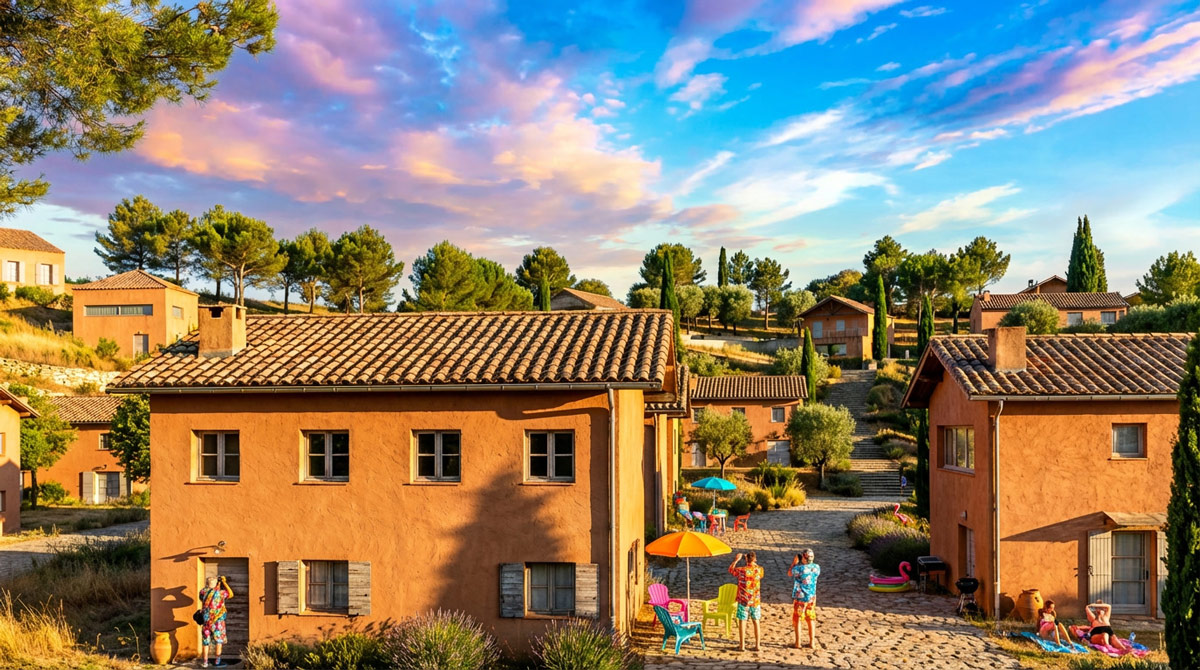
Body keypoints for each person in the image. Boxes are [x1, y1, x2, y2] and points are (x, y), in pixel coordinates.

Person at [728, 551, 763, 652]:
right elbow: (760, 574)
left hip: (743, 599)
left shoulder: (741, 570)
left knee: (742, 621)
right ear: (755, 559)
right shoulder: (759, 570)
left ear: (746, 559)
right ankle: (757, 645)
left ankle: (742, 645)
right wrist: (753, 562)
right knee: (756, 621)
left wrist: (736, 560)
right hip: (755, 600)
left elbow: (731, 570)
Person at [199, 574, 234, 667]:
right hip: (218, 622)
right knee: (219, 641)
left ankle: (205, 662)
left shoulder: (203, 592)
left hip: (206, 622)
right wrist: (224, 582)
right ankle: (217, 661)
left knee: (206, 642)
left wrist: (216, 585)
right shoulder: (220, 593)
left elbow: (203, 597)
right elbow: (231, 594)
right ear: (216, 583)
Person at [788, 548, 821, 649]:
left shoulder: (799, 569)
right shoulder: (816, 567)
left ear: (803, 557)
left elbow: (789, 573)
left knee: (798, 618)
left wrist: (794, 562)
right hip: (811, 597)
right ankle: (812, 642)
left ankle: (798, 643)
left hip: (800, 597)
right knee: (811, 618)